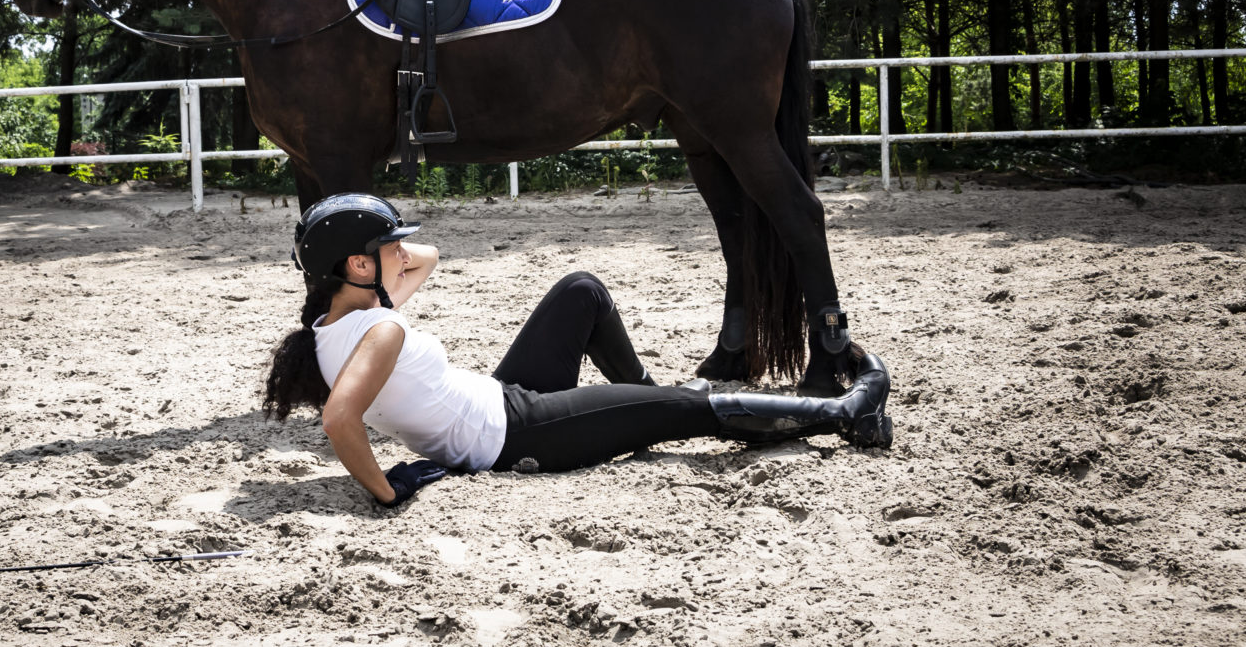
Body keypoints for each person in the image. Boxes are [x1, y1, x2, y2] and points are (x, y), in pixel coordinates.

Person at [263, 193, 892, 506]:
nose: (403, 253)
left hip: (503, 396)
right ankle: (846, 414)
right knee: (685, 407)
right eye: (386, 247)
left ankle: (636, 400)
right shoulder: (379, 328)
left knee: (581, 292)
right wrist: (386, 492)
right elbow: (340, 419)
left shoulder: (337, 321)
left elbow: (427, 256)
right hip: (517, 436)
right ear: (354, 263)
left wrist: (383, 250)